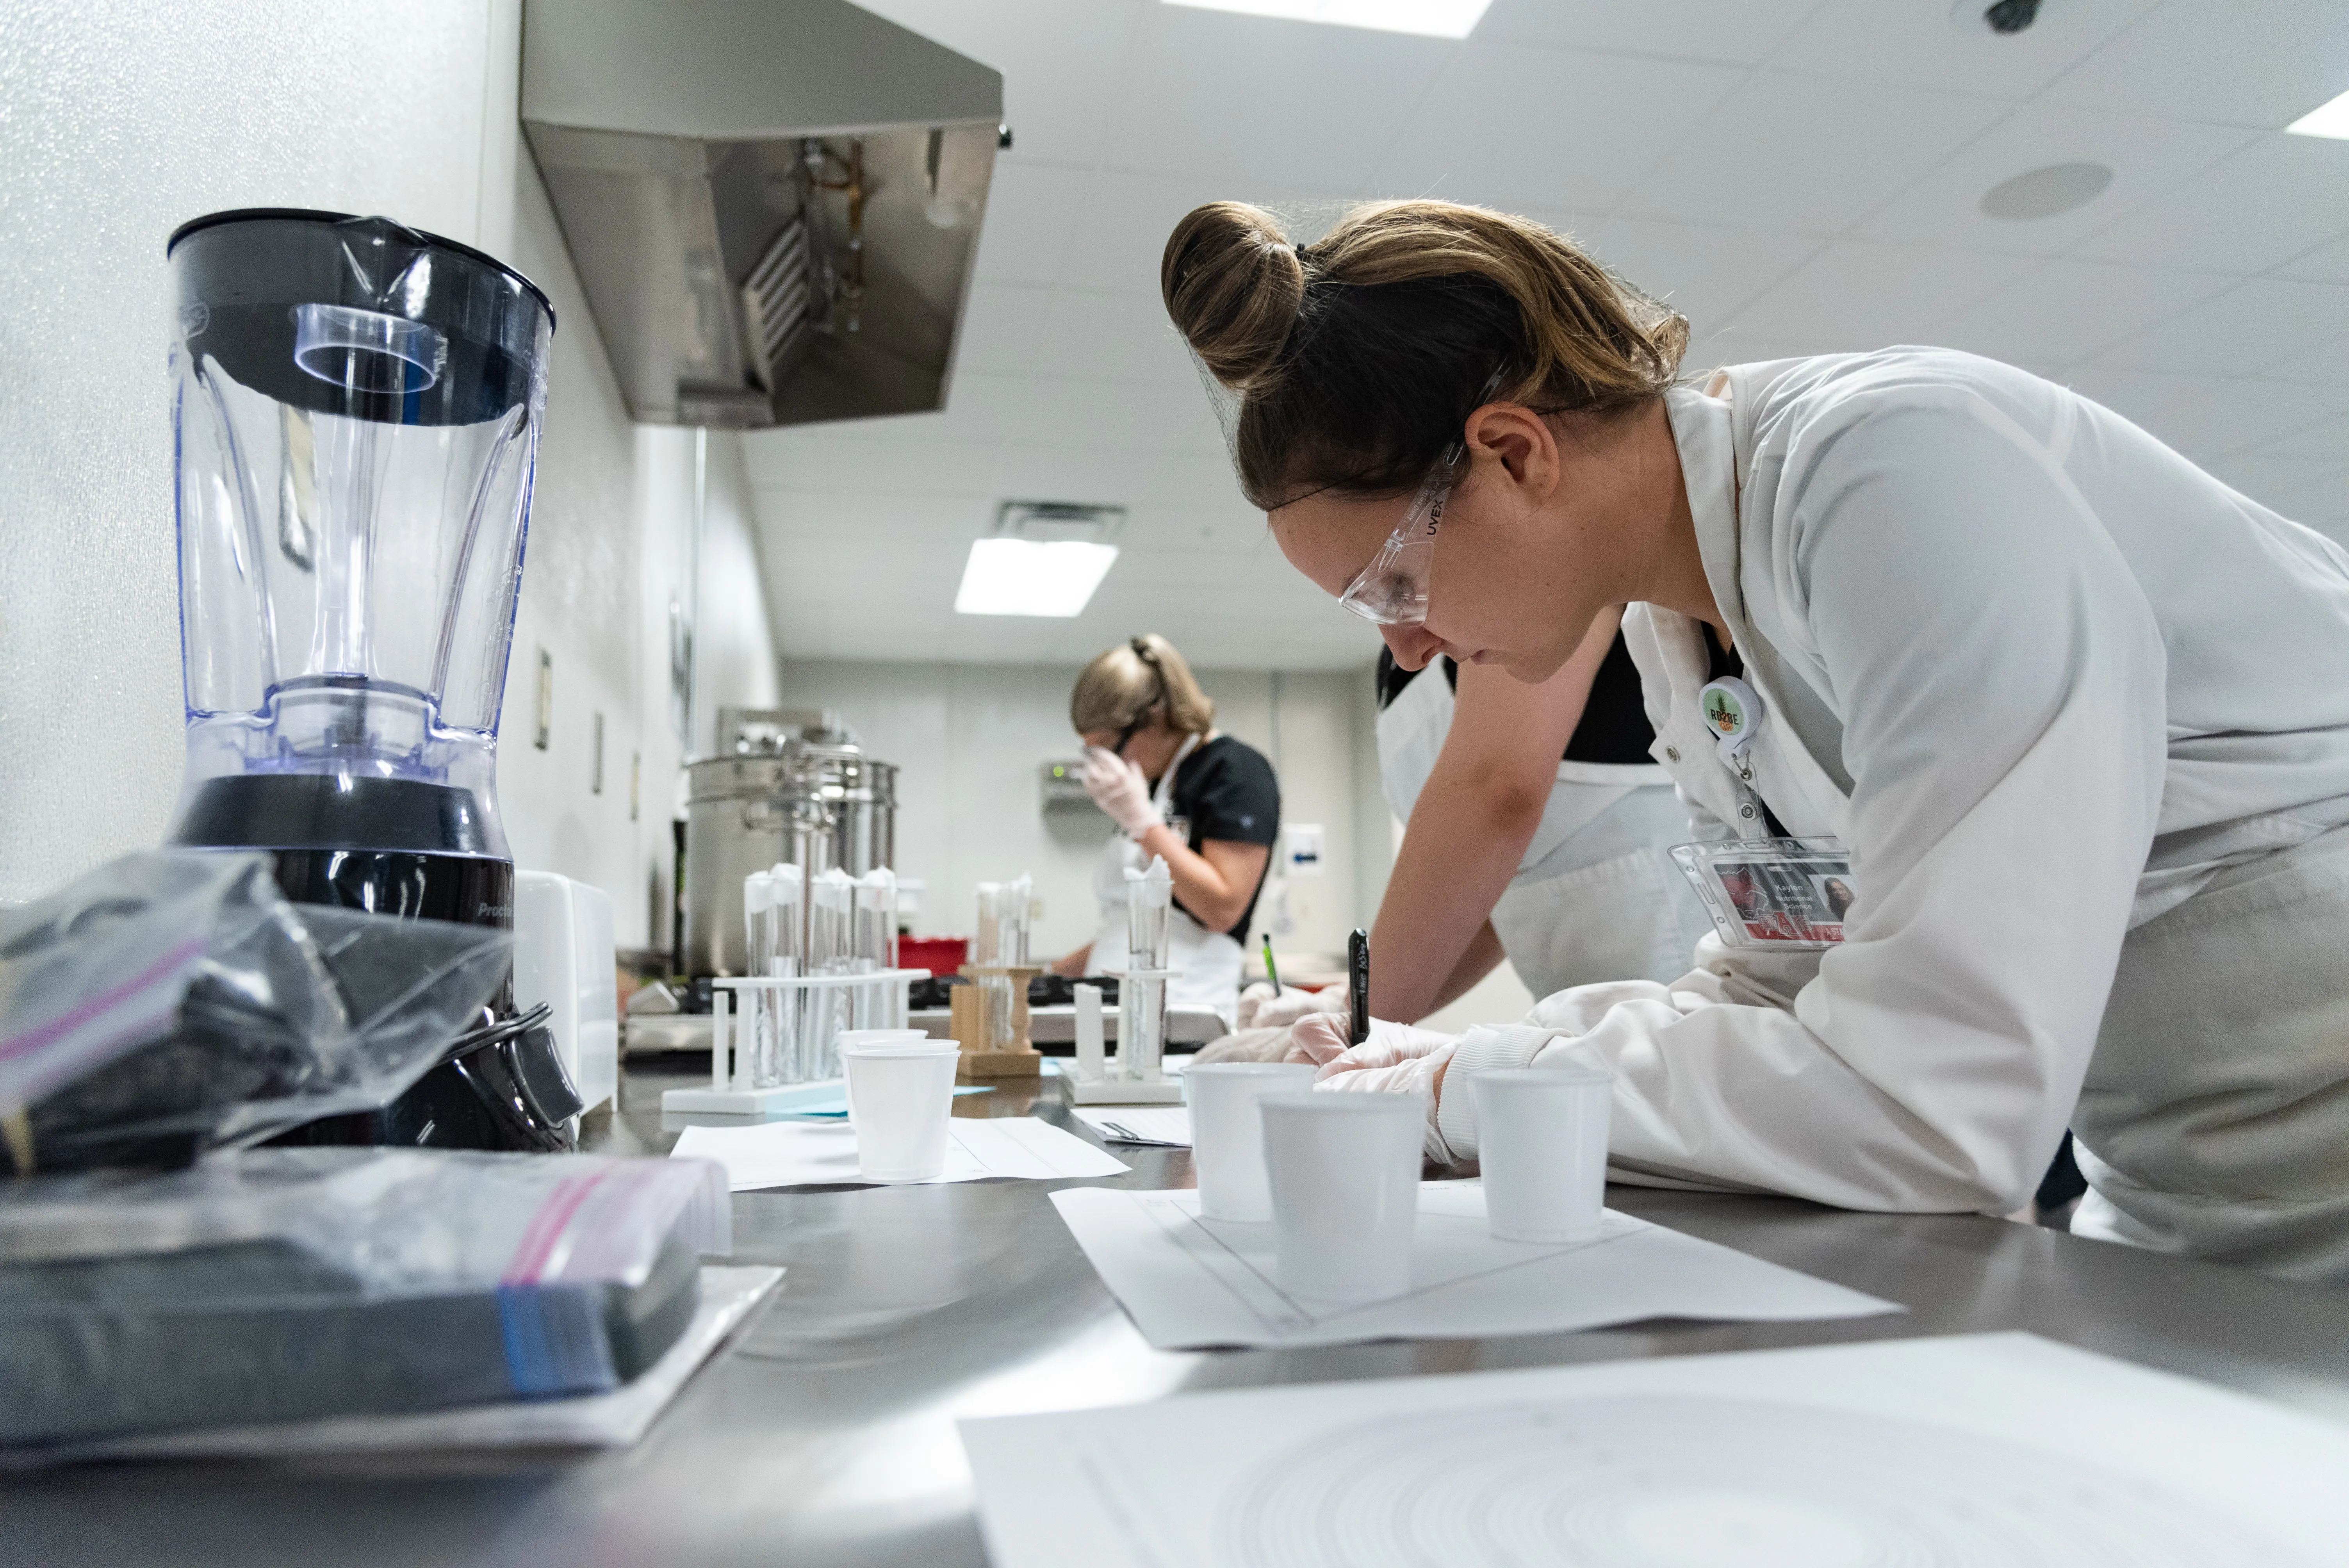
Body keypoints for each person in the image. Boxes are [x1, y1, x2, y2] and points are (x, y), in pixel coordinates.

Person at [1159, 198, 2349, 1282]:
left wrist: (1459, 1088)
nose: (1408, 650)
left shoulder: (1894, 473)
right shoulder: (1685, 627)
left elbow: (1942, 1105)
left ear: (1514, 454)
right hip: (2181, 1198)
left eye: (1394, 586)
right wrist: (1411, 1061)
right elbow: (1775, 989)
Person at [1052, 635, 1279, 1028]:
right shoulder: (1153, 786)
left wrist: (1142, 823)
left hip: (1183, 1015)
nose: (1105, 767)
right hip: (1114, 1014)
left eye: (1108, 748)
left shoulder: (1233, 770)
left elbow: (1221, 908)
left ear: (1154, 718)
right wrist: (1048, 976)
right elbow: (1134, 925)